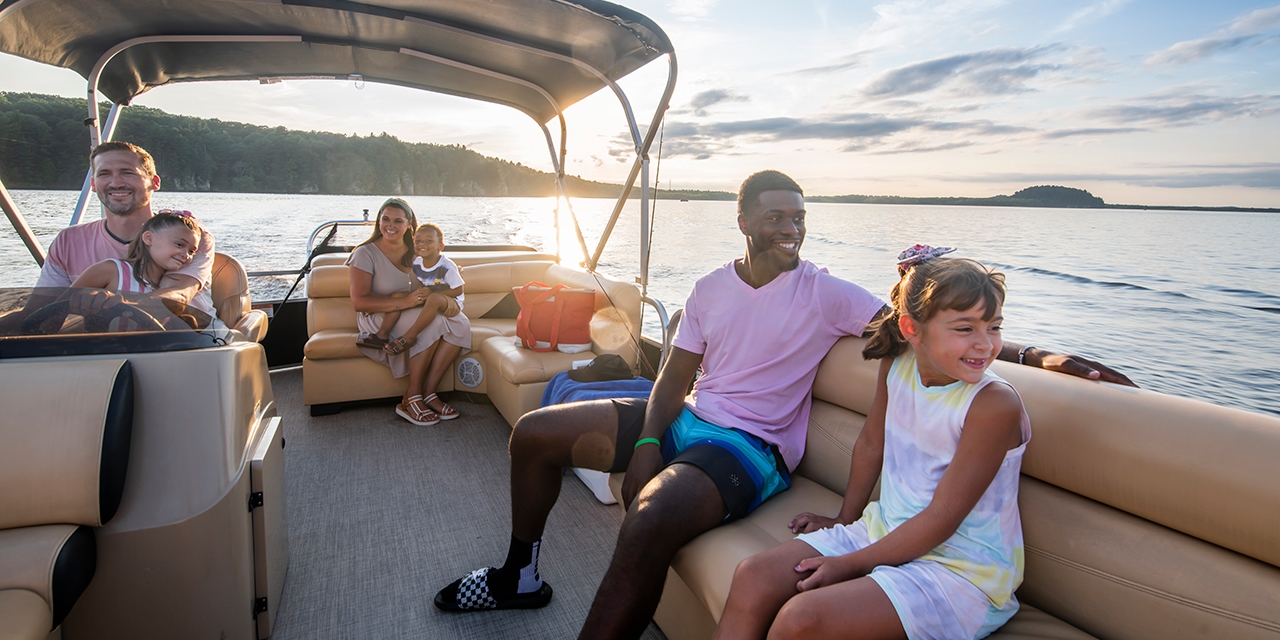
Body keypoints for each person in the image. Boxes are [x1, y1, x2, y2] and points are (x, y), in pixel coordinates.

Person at [431, 171, 1133, 639]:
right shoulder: (708, 289)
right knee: (535, 433)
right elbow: (675, 377)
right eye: (775, 217)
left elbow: (927, 327)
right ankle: (519, 574)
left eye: (798, 218)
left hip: (752, 448)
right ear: (742, 220)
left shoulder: (825, 291)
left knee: (648, 519)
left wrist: (1036, 354)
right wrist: (647, 442)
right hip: (688, 418)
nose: (789, 228)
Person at [712, 249, 1029, 640]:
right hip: (884, 530)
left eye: (993, 327)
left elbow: (943, 516)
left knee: (802, 620)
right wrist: (846, 519)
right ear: (912, 330)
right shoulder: (898, 363)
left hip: (961, 569)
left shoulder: (993, 403)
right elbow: (870, 445)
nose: (985, 344)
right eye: (965, 329)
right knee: (752, 576)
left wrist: (852, 564)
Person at [36, 141, 214, 314]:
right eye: (104, 174)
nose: (115, 183)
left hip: (187, 339)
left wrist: (124, 304)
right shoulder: (68, 240)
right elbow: (41, 310)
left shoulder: (188, 237)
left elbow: (178, 294)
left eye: (127, 173)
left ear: (154, 182)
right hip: (102, 341)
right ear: (93, 184)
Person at [347, 198, 469, 426]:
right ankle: (410, 397)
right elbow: (360, 302)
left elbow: (436, 276)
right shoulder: (365, 254)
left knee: (460, 322)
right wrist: (404, 303)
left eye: (398, 221)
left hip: (413, 309)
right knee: (433, 324)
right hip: (379, 316)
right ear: (378, 222)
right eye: (385, 219)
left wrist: (449, 276)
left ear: (409, 225)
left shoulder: (418, 251)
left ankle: (429, 392)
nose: (390, 225)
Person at [63, 211, 208, 330]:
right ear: (149, 238)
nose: (186, 254)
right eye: (179, 244)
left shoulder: (165, 290)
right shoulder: (110, 270)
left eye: (191, 251)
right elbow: (56, 312)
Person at [357, 224, 467, 372]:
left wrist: (433, 294)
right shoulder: (417, 262)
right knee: (398, 296)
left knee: (434, 299)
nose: (422, 245)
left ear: (440, 246)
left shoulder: (447, 266)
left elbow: (458, 290)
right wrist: (419, 295)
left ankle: (410, 336)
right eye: (418, 241)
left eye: (428, 241)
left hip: (452, 302)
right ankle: (381, 335)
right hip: (431, 297)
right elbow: (423, 281)